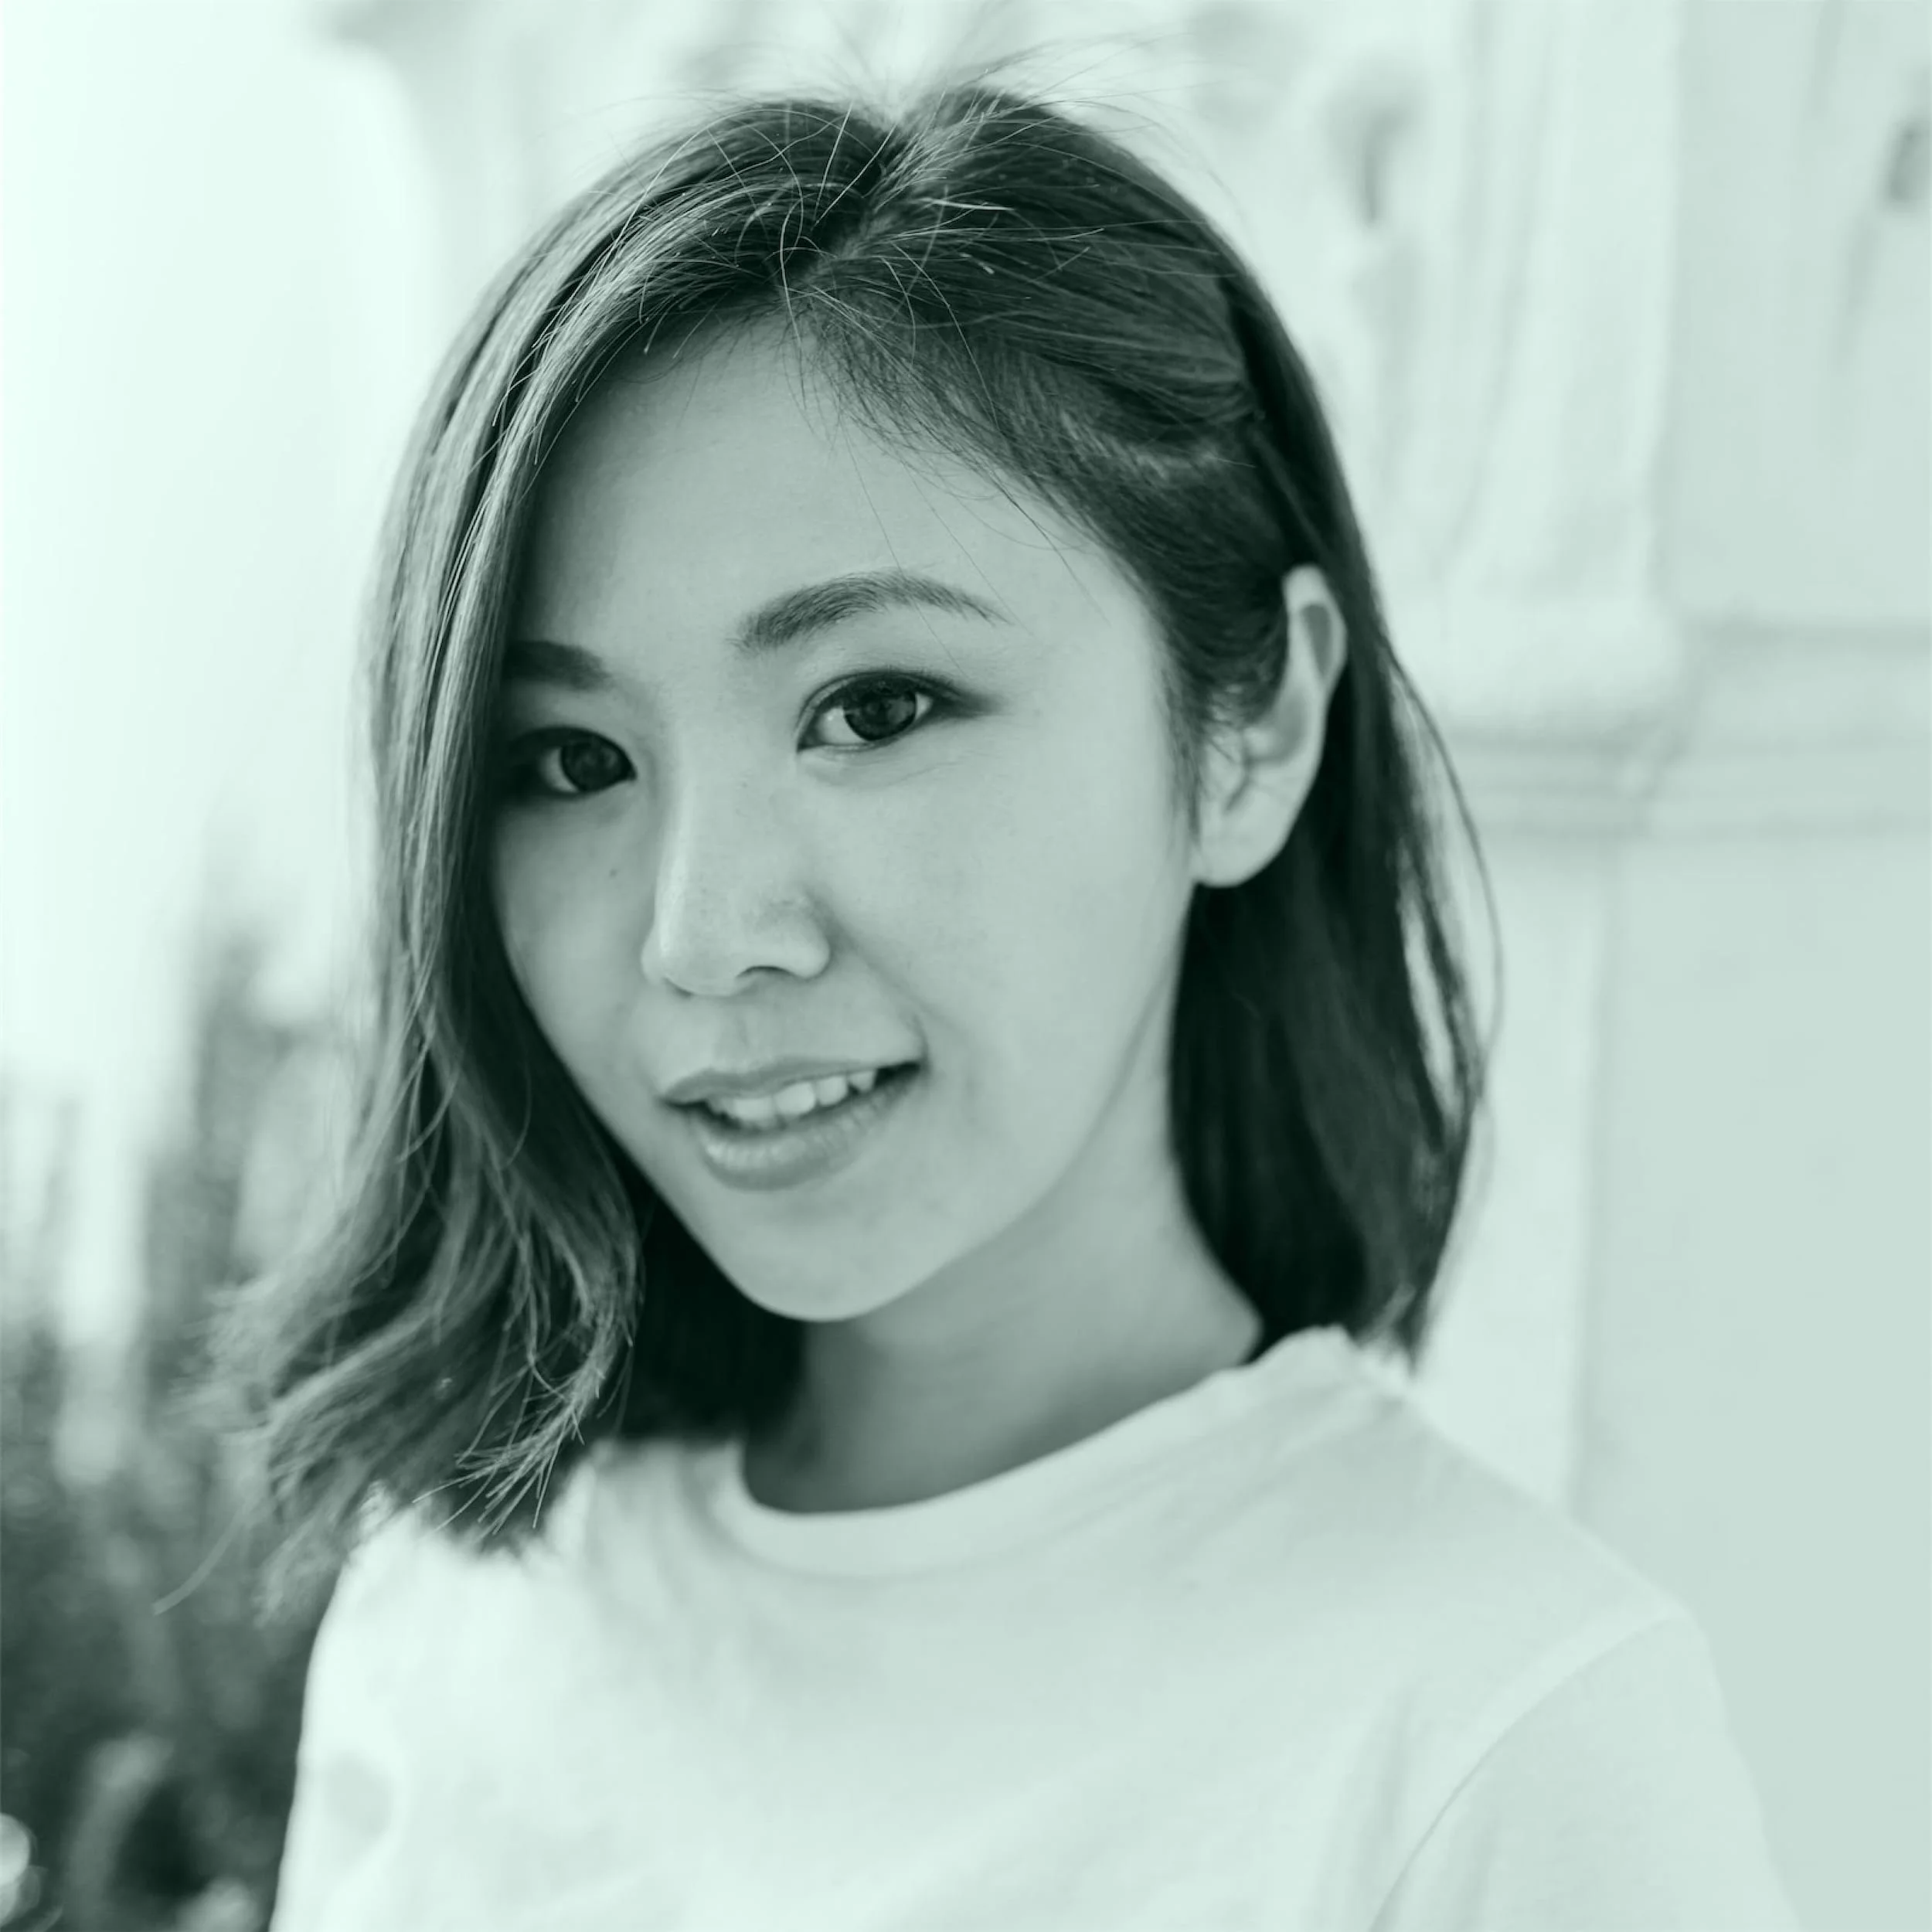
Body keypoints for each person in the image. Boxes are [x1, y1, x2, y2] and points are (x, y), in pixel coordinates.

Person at [207, 71, 1801, 1931]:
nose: (702, 935)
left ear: (1252, 726)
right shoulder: (463, 1605)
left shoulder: (1498, 1738)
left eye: (874, 708)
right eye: (569, 760)